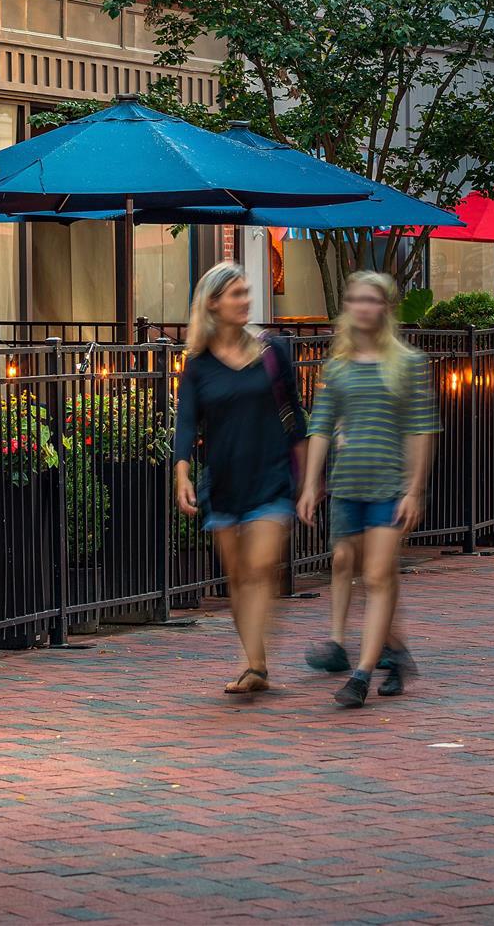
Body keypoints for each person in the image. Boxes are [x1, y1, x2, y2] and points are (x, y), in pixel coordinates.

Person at [296, 271, 438, 709]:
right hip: (347, 485)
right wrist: (310, 485)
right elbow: (320, 427)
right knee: (355, 569)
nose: (363, 307)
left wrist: (413, 490)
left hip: (388, 486)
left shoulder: (408, 363)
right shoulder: (337, 367)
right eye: (356, 299)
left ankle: (361, 674)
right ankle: (396, 653)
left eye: (372, 300)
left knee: (377, 576)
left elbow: (420, 429)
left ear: (387, 308)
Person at [172, 262, 305, 696]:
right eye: (236, 293)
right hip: (225, 482)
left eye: (246, 292)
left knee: (260, 566)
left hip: (271, 476)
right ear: (212, 303)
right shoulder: (198, 365)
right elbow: (186, 422)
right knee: (239, 578)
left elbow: (295, 416)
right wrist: (182, 473)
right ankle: (255, 664)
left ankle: (256, 661)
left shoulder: (272, 351)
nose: (245, 300)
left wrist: (309, 477)